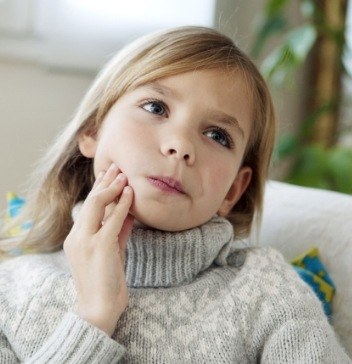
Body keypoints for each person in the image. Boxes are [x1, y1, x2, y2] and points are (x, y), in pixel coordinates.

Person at [0, 26, 350, 364]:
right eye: (156, 108)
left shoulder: (269, 292)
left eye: (217, 135)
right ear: (93, 129)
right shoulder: (11, 290)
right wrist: (93, 317)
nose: (181, 146)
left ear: (233, 190)